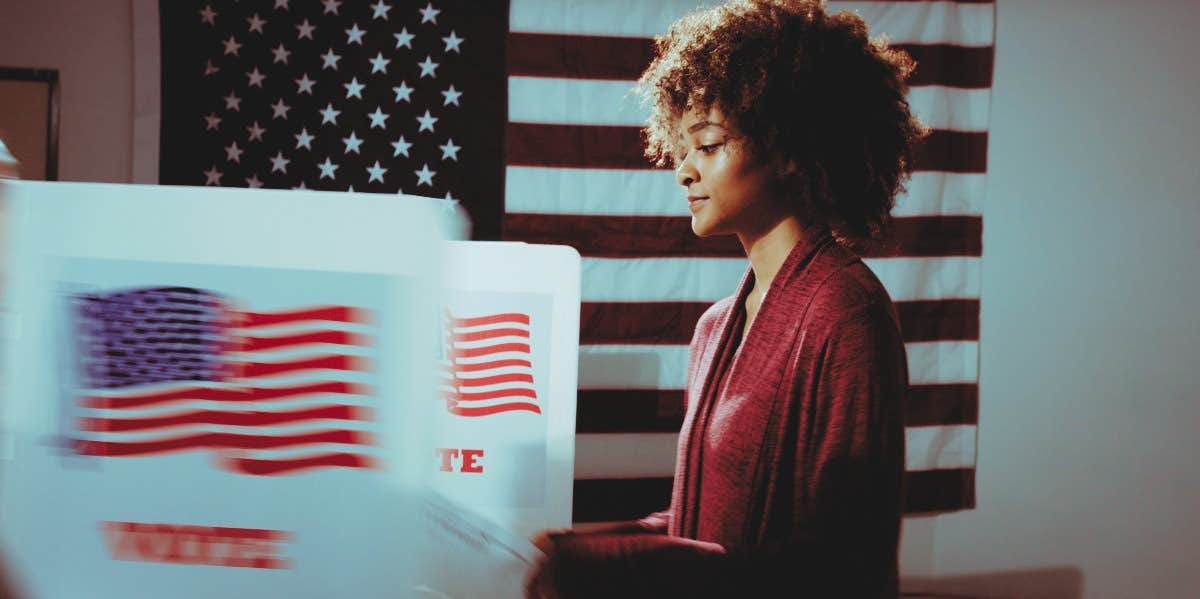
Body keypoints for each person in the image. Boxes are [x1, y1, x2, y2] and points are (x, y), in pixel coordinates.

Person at [524, 0, 929, 597]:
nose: (683, 171)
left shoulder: (848, 312)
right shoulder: (715, 327)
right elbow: (701, 528)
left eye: (708, 146)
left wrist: (614, 565)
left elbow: (845, 566)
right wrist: (582, 547)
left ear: (791, 148)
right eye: (681, 147)